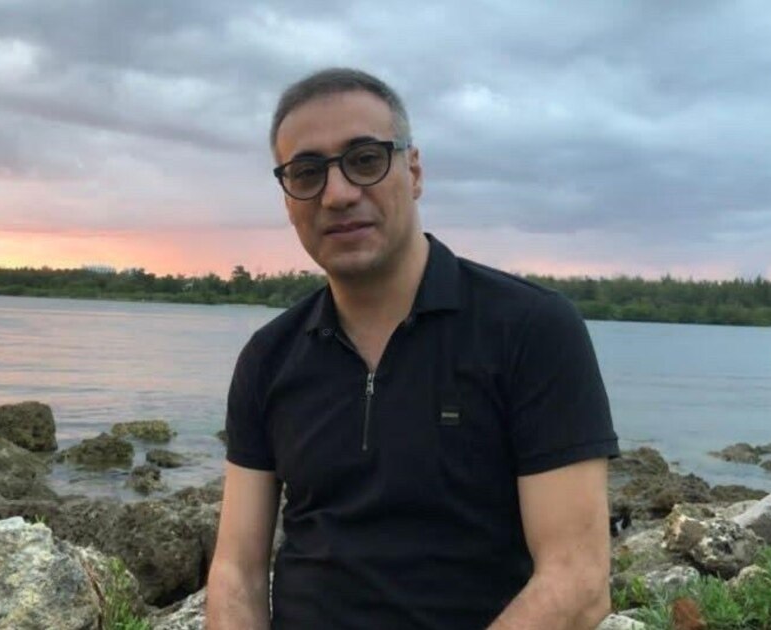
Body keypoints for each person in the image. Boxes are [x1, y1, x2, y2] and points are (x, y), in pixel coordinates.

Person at [206, 68, 620, 629]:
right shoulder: (269, 357)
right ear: (287, 198)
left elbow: (577, 579)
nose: (338, 194)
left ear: (414, 171)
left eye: (365, 160)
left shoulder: (531, 329)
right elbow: (237, 571)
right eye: (307, 172)